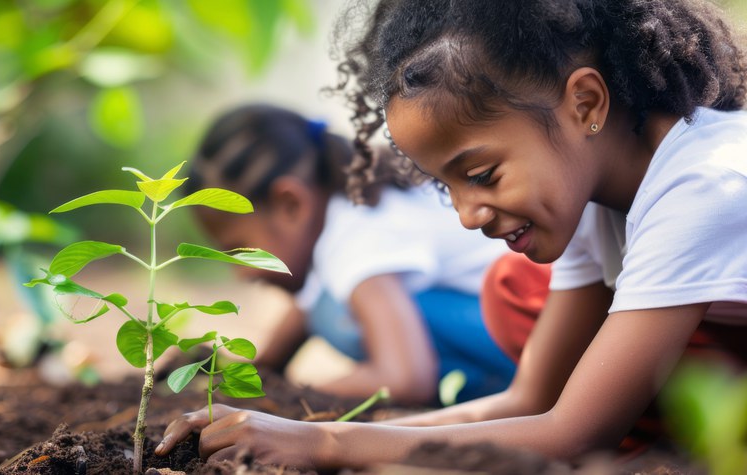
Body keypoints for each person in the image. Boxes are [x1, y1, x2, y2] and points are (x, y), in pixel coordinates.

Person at [156, 1, 747, 470]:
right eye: (447, 188)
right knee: (519, 289)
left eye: (482, 175)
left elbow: (573, 428)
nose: (467, 215)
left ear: (585, 103)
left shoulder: (701, 184)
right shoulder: (592, 200)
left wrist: (328, 447)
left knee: (516, 288)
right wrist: (311, 433)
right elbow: (532, 400)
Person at [178, 103, 548, 407]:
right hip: (530, 326)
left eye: (238, 249)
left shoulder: (354, 235)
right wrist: (254, 371)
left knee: (336, 314)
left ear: (291, 204)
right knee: (327, 304)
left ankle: (502, 397)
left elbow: (404, 378)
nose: (242, 273)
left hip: (544, 344)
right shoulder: (344, 216)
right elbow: (302, 312)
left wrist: (289, 398)